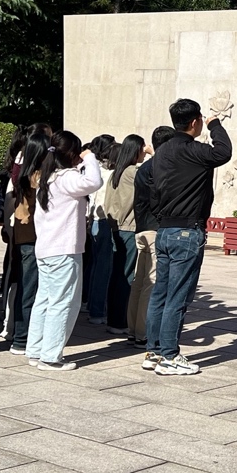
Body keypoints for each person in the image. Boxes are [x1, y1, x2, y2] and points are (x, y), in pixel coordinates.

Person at [142, 99, 231, 375]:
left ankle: (154, 351)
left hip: (165, 230)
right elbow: (223, 152)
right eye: (201, 119)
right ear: (195, 122)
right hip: (186, 231)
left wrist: (163, 217)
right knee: (178, 296)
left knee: (160, 293)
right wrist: (216, 125)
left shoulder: (162, 152)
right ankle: (170, 356)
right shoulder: (194, 150)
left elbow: (153, 191)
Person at [26, 131, 102, 370]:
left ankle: (36, 350)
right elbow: (94, 182)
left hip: (46, 248)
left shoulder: (48, 177)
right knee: (63, 302)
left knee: (44, 300)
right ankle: (50, 356)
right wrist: (90, 158)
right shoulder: (67, 178)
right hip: (64, 250)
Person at [2, 129, 50, 355]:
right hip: (34, 237)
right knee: (30, 288)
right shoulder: (38, 178)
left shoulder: (21, 174)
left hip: (22, 236)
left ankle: (19, 335)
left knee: (24, 287)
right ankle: (22, 338)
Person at [129, 126, 175, 347]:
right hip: (154, 228)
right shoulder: (159, 167)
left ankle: (133, 329)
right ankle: (143, 332)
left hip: (141, 226)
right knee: (151, 283)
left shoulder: (145, 167)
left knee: (139, 282)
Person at [103, 134, 147, 335]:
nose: (144, 152)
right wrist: (155, 153)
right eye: (142, 148)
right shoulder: (131, 172)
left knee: (117, 273)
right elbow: (153, 174)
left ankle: (113, 317)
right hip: (128, 228)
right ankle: (119, 320)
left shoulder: (117, 172)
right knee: (126, 275)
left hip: (116, 226)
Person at [84, 134, 116, 325]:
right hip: (103, 220)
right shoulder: (105, 172)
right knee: (103, 268)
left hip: (94, 220)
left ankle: (90, 304)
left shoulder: (92, 169)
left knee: (95, 265)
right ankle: (97, 310)